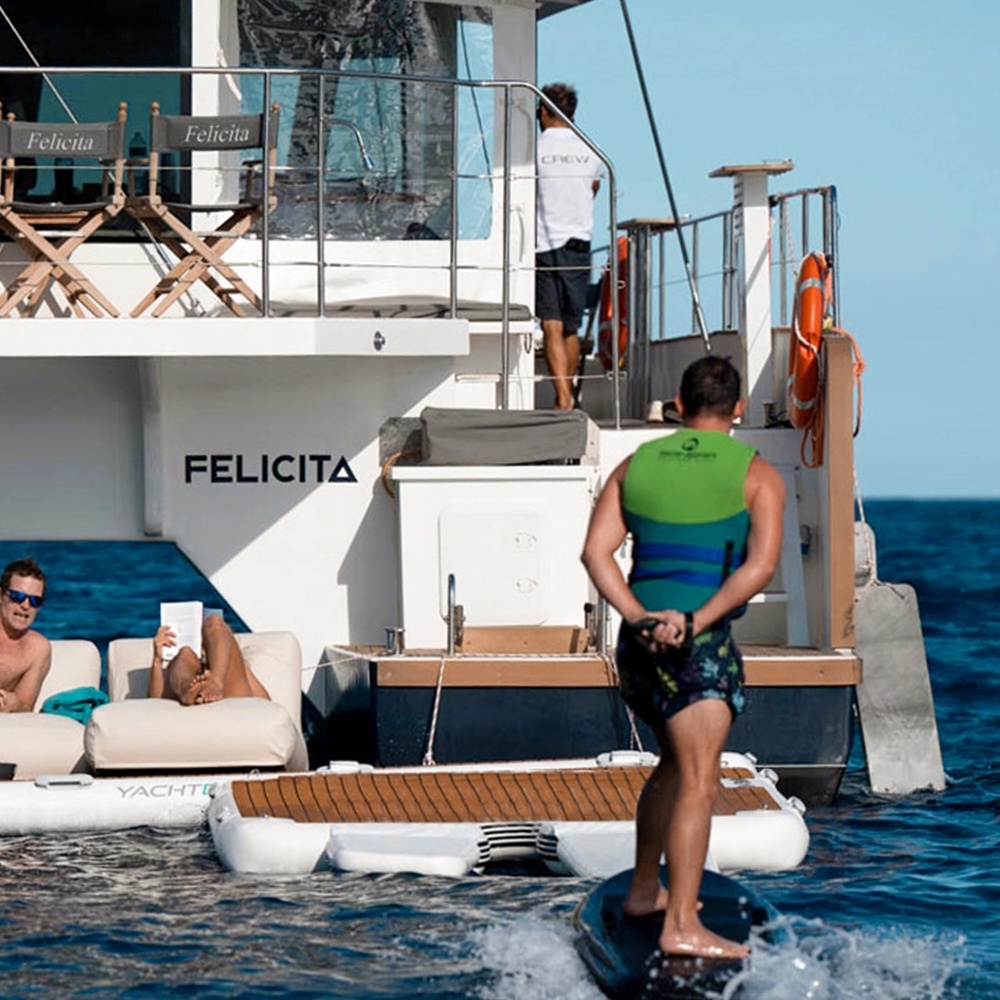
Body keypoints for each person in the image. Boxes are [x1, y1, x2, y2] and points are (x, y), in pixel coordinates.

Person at [581, 356, 785, 959]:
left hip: (638, 647)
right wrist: (694, 622)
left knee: (672, 764)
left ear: (679, 402)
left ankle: (646, 891)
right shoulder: (757, 474)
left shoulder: (634, 465)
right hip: (699, 647)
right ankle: (681, 928)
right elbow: (760, 568)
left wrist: (638, 616)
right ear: (737, 409)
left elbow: (596, 553)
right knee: (700, 779)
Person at [535, 82, 601, 411]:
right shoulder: (590, 149)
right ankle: (569, 396)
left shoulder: (534, 150)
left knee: (551, 323)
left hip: (545, 243)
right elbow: (593, 187)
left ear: (544, 112)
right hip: (579, 242)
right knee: (571, 327)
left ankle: (562, 398)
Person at [148, 613, 270, 706]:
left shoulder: (235, 665)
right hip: (191, 690)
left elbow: (265, 704)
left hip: (228, 692)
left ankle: (214, 683)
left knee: (214, 622)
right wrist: (157, 660)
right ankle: (188, 689)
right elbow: (156, 704)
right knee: (185, 653)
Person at [0, 557, 52, 712]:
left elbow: (26, 707)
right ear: (1, 596)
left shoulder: (37, 649)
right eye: (18, 596)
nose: (25, 605)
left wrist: (14, 704)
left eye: (35, 600)